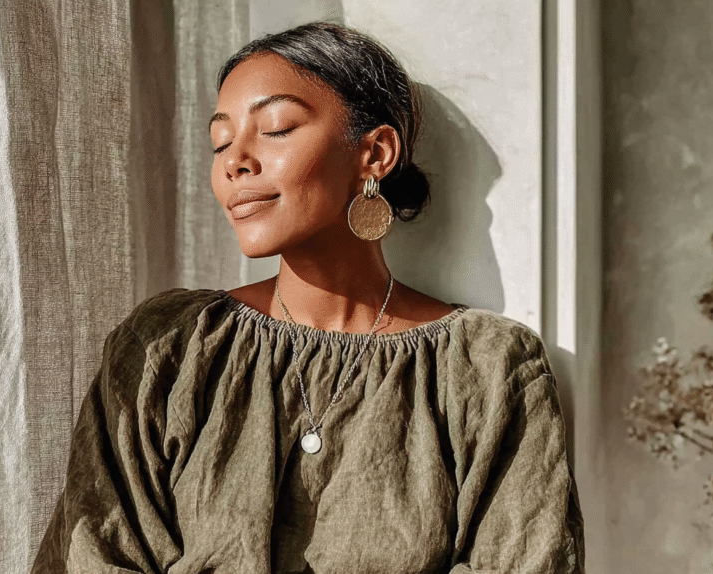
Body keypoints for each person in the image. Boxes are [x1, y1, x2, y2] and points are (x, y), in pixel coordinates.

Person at [32, 20, 584, 574]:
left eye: (274, 128)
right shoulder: (171, 349)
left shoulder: (487, 368)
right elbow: (93, 555)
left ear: (375, 154)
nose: (233, 161)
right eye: (220, 141)